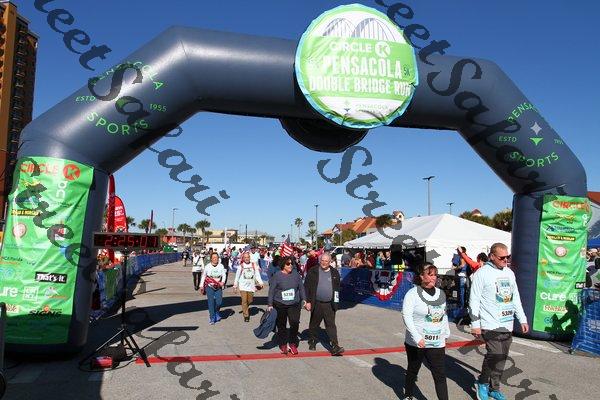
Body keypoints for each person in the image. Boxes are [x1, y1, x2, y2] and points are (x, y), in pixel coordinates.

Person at [470, 242, 528, 400]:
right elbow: (474, 300)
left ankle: (494, 388)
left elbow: (515, 298)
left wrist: (522, 319)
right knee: (494, 354)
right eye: (502, 257)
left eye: (507, 257)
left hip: (507, 322)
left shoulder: (509, 273)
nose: (505, 260)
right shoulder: (482, 273)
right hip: (489, 323)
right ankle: (482, 383)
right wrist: (475, 324)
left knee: (501, 358)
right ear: (492, 256)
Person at [402, 263, 450, 400]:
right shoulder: (412, 294)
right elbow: (406, 316)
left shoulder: (440, 293)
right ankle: (408, 395)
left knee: (440, 374)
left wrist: (446, 332)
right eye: (430, 274)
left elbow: (443, 314)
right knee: (413, 369)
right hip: (417, 342)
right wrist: (417, 337)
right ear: (421, 276)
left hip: (437, 342)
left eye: (435, 275)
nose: (434, 278)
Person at [304, 252, 344, 355]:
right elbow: (306, 287)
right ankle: (312, 341)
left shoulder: (334, 272)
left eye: (326, 261)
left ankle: (335, 345)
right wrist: (307, 301)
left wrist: (336, 303)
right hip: (316, 303)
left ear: (330, 262)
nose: (324, 263)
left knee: (331, 325)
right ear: (320, 260)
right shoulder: (313, 271)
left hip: (329, 304)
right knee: (314, 324)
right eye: (322, 260)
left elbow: (337, 288)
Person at [267, 256, 307, 355]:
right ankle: (283, 343)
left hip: (294, 304)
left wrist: (304, 299)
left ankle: (292, 343)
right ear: (283, 265)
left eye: (292, 264)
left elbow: (301, 288)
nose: (291, 266)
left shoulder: (296, 275)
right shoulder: (277, 275)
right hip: (280, 304)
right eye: (288, 264)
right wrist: (270, 304)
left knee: (295, 323)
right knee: (281, 325)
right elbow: (271, 290)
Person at [234, 251, 264, 322]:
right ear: (243, 258)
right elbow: (237, 277)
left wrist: (261, 282)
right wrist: (235, 285)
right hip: (243, 286)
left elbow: (257, 275)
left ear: (249, 258)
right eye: (245, 257)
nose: (246, 259)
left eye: (248, 257)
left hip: (251, 286)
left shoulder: (253, 265)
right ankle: (246, 315)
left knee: (250, 300)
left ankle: (245, 308)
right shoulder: (241, 266)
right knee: (244, 300)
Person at [200, 252, 227, 325]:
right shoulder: (207, 266)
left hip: (218, 286)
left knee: (219, 302)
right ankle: (212, 317)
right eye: (214, 258)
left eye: (216, 257)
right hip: (209, 286)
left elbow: (224, 275)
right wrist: (201, 285)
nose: (215, 259)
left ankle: (216, 312)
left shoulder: (221, 266)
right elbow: (204, 276)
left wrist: (223, 282)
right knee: (211, 301)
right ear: (211, 259)